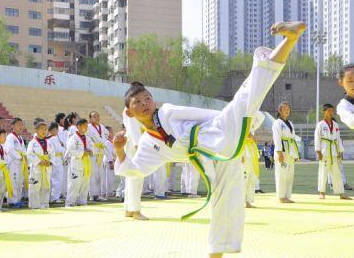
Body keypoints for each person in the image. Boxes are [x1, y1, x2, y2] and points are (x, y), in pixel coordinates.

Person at [113, 22, 306, 257]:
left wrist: (235, 125)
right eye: (138, 102)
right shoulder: (148, 143)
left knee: (248, 94)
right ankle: (218, 252)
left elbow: (206, 116)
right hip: (212, 158)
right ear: (130, 112)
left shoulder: (168, 112)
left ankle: (290, 39)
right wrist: (120, 150)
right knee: (224, 201)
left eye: (147, 98)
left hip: (217, 133)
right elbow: (134, 170)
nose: (145, 104)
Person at [314, 104, 352, 200]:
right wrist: (318, 152)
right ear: (324, 111)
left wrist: (339, 151)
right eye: (329, 111)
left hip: (334, 151)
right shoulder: (320, 125)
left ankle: (341, 193)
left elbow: (338, 139)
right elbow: (317, 139)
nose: (331, 113)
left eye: (332, 111)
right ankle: (322, 192)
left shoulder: (335, 125)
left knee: (337, 173)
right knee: (323, 172)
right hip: (324, 151)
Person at [272, 101, 299, 203]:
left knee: (289, 175)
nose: (286, 111)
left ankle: (287, 196)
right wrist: (279, 153)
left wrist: (295, 154)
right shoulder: (277, 123)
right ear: (279, 111)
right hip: (282, 151)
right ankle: (281, 197)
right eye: (284, 109)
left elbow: (292, 139)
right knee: (281, 174)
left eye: (288, 109)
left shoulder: (290, 123)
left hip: (290, 151)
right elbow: (277, 139)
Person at [65, 119, 93, 207]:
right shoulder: (73, 138)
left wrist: (90, 151)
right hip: (76, 163)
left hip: (86, 163)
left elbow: (92, 148)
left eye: (87, 126)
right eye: (84, 126)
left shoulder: (87, 138)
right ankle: (70, 202)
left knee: (85, 183)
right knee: (74, 183)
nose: (86, 128)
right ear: (78, 126)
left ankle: (82, 201)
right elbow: (71, 149)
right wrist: (82, 152)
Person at [27, 122, 53, 209]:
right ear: (36, 130)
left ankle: (45, 204)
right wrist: (39, 161)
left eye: (45, 129)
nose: (44, 131)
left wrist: (50, 161)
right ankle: (34, 205)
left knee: (46, 186)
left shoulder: (48, 142)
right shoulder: (32, 142)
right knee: (35, 187)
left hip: (46, 167)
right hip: (36, 168)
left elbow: (52, 154)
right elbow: (29, 154)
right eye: (41, 128)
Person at [242, 112, 265, 208]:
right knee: (243, 177)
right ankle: (240, 201)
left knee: (251, 176)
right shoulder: (238, 119)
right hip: (242, 149)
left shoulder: (251, 120)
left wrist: (254, 107)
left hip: (251, 149)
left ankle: (248, 201)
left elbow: (261, 117)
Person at [5, 118, 27, 208]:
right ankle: (12, 201)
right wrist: (19, 157)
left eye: (21, 124)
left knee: (19, 182)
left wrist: (24, 157)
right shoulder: (10, 137)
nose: (21, 127)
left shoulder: (20, 137)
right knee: (13, 181)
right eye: (18, 124)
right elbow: (9, 149)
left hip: (21, 162)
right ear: (12, 126)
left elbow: (23, 150)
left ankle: (17, 199)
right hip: (14, 162)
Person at [87, 111, 109, 201]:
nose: (97, 118)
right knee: (93, 174)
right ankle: (93, 194)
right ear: (90, 119)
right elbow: (87, 138)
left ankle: (98, 194)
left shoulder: (102, 126)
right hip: (93, 152)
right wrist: (93, 144)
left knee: (100, 175)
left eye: (98, 116)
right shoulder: (88, 127)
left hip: (101, 152)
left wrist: (102, 142)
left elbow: (106, 134)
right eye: (94, 116)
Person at [47, 122, 65, 204]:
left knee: (51, 179)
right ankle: (55, 197)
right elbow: (60, 149)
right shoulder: (53, 138)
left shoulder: (47, 138)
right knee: (58, 179)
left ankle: (51, 197)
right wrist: (65, 150)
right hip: (57, 160)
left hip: (51, 160)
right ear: (54, 130)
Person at [104, 126, 116, 197]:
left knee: (112, 177)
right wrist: (111, 162)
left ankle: (111, 190)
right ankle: (108, 192)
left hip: (112, 160)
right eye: (111, 132)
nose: (112, 133)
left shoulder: (111, 142)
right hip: (108, 162)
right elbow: (108, 153)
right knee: (109, 177)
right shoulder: (107, 142)